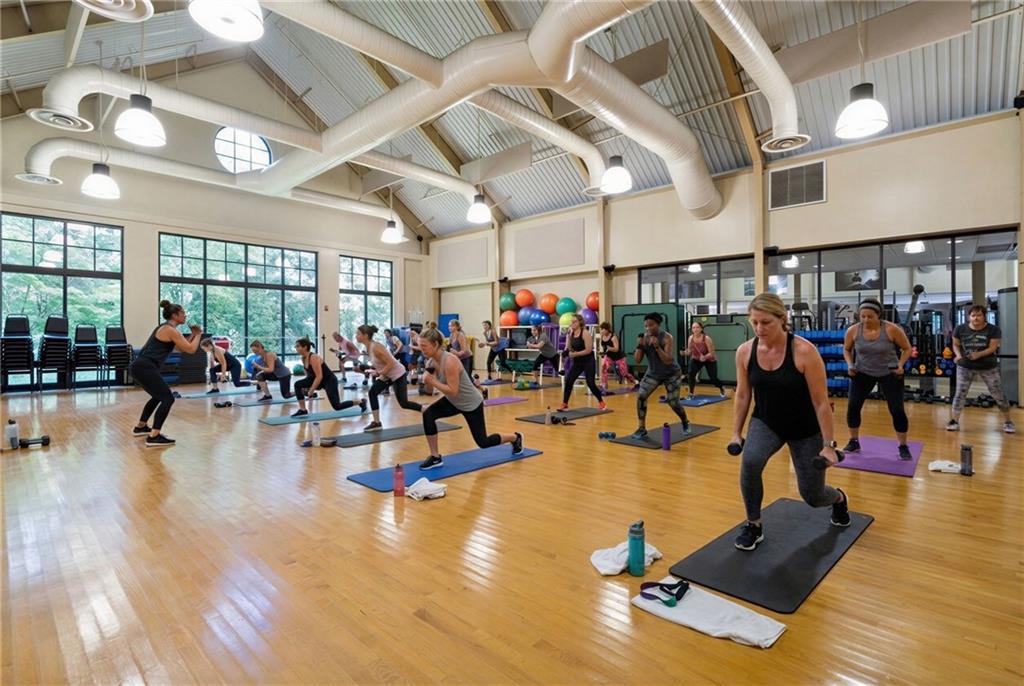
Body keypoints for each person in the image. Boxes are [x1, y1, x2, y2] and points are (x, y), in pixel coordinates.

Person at [731, 293, 849, 552]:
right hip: (767, 422)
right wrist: (736, 433)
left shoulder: (805, 351)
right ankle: (754, 525)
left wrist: (829, 444)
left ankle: (839, 498)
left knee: (813, 496)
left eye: (766, 323)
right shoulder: (745, 352)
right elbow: (742, 394)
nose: (759, 329)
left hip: (804, 428)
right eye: (755, 323)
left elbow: (821, 402)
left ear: (782, 320)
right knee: (750, 463)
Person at [416, 327, 524, 470]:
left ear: (435, 344)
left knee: (483, 442)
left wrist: (433, 381)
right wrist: (426, 382)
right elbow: (430, 391)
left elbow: (453, 391)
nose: (421, 349)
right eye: (420, 345)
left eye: (424, 346)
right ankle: (435, 457)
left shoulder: (449, 361)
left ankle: (515, 438)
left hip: (471, 403)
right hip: (453, 401)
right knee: (428, 414)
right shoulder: (430, 362)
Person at [842, 298, 914, 458]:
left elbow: (907, 348)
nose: (866, 320)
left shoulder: (891, 329)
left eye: (870, 316)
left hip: (889, 372)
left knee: (896, 410)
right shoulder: (853, 330)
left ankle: (903, 445)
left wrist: (901, 365)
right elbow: (847, 349)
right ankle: (854, 441)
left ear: (879, 316)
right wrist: (850, 364)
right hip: (862, 372)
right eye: (862, 316)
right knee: (853, 407)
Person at [130, 300, 202, 447]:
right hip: (145, 367)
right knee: (168, 398)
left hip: (140, 366)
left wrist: (193, 335)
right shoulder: (170, 330)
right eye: (182, 313)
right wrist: (199, 334)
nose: (185, 316)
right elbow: (191, 350)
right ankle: (154, 436)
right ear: (175, 315)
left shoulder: (166, 329)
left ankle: (141, 426)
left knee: (158, 396)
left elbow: (182, 347)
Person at [948, 304, 1015, 434]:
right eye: (973, 315)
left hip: (988, 366)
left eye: (979, 315)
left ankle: (1008, 421)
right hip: (965, 366)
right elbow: (955, 344)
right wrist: (958, 356)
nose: (976, 318)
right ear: (969, 317)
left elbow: (992, 348)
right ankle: (954, 421)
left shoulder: (993, 330)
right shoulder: (960, 329)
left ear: (984, 316)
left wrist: (978, 354)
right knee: (960, 394)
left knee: (998, 394)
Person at [631, 313, 690, 439]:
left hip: (671, 374)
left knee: (673, 402)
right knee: (641, 396)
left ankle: (685, 422)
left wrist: (657, 347)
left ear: (658, 325)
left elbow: (668, 360)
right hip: (653, 373)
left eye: (651, 325)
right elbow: (637, 360)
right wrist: (640, 345)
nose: (648, 328)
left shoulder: (666, 338)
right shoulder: (645, 338)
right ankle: (641, 428)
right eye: (646, 326)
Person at [355, 324, 422, 431]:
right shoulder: (368, 347)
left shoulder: (376, 346)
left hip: (398, 374)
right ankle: (377, 423)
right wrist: (374, 370)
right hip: (388, 375)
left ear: (366, 335)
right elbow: (380, 364)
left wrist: (378, 373)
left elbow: (391, 363)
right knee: (372, 392)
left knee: (404, 404)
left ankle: (424, 409)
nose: (356, 336)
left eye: (358, 334)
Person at [291, 337, 365, 418]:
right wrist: (306, 386)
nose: (296, 348)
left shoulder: (313, 358)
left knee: (337, 406)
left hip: (329, 381)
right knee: (298, 384)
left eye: (297, 346)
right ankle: (303, 410)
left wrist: (311, 390)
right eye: (296, 346)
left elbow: (319, 376)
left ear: (304, 347)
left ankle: (360, 402)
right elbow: (309, 376)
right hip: (318, 380)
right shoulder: (303, 358)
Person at [559, 314, 606, 411]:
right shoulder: (571, 334)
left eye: (574, 322)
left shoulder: (585, 333)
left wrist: (575, 354)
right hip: (577, 362)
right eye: (571, 322)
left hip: (588, 361)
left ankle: (601, 402)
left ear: (580, 322)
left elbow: (588, 350)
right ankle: (564, 404)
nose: (572, 324)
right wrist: (565, 353)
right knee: (569, 381)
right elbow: (569, 348)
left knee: (590, 384)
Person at [683, 321, 726, 397]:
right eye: (693, 328)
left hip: (709, 360)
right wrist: (685, 352)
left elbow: (712, 353)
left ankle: (721, 387)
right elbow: (689, 351)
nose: (695, 329)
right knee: (691, 374)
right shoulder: (690, 338)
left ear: (701, 329)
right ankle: (691, 393)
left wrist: (705, 357)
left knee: (713, 378)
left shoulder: (706, 338)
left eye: (697, 327)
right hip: (696, 359)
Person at [598, 321, 638, 392]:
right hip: (609, 356)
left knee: (624, 373)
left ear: (607, 329)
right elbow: (604, 347)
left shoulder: (613, 337)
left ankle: (635, 381)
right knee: (604, 367)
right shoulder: (602, 336)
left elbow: (616, 349)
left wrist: (609, 348)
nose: (601, 331)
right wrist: (603, 353)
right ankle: (603, 384)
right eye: (601, 329)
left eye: (603, 329)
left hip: (619, 356)